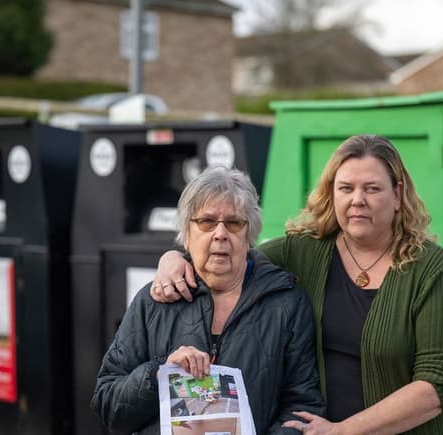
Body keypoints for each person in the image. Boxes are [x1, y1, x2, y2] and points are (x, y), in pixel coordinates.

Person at [151, 135, 443, 434]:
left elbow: (441, 382)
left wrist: (343, 430)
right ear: (332, 194)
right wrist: (174, 258)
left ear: (398, 195)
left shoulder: (432, 269)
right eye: (346, 188)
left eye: (372, 189)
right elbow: (227, 255)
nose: (358, 200)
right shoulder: (301, 251)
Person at [91, 166, 324, 434]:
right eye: (207, 222)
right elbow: (108, 405)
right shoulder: (154, 300)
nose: (221, 234)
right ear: (187, 236)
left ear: (249, 237)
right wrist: (159, 374)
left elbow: (301, 406)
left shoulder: (286, 304)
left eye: (234, 223)